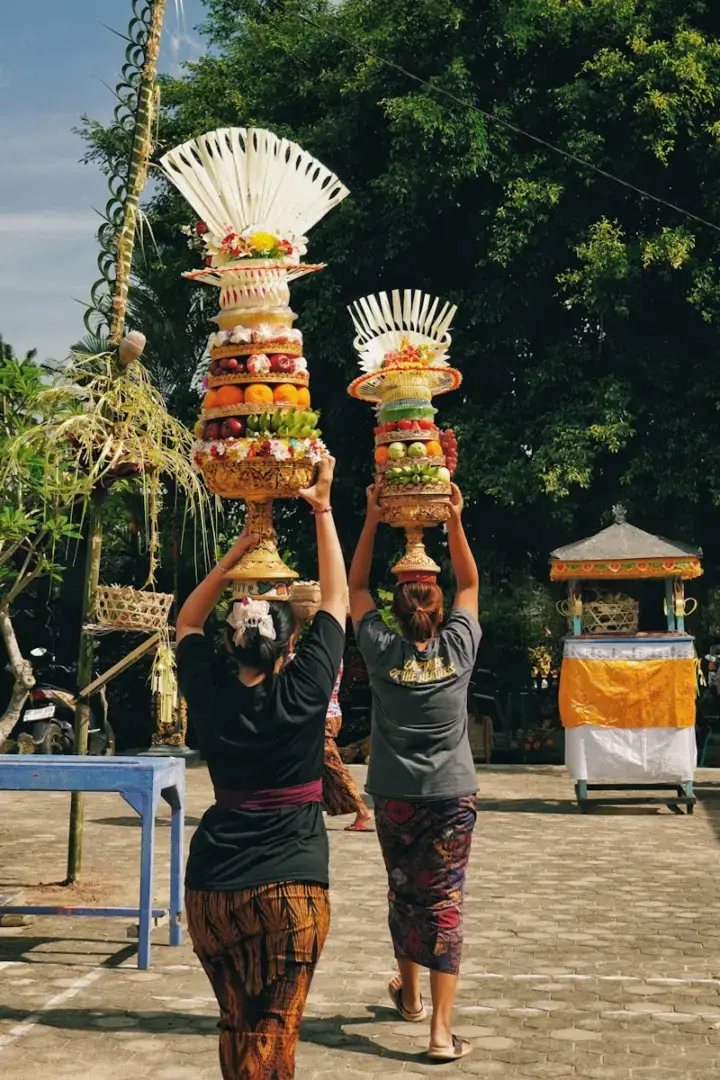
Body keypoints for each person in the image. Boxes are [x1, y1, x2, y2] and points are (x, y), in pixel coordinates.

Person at [176, 457, 347, 1080]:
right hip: (291, 891)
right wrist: (322, 508)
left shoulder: (213, 691)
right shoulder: (302, 690)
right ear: (286, 645)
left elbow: (187, 620)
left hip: (213, 889)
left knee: (235, 1022)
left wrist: (234, 555)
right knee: (274, 1031)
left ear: (231, 645)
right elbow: (336, 600)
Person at [348, 482, 481, 1063]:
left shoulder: (381, 650)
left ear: (397, 612)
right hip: (452, 795)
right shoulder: (458, 648)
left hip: (395, 795)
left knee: (404, 895)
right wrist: (453, 521)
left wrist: (373, 520)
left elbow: (353, 587)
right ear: (438, 607)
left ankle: (410, 1000)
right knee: (443, 901)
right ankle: (439, 1033)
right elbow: (471, 584)